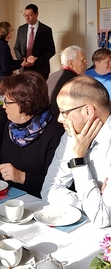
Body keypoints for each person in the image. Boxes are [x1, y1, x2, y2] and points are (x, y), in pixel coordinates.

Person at [0, 71, 64, 198]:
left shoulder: (55, 132)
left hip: (38, 202)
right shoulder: (13, 127)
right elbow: (2, 161)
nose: (3, 106)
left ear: (25, 103)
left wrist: (21, 177)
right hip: (10, 196)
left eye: (7, 102)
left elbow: (59, 184)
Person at [41, 76, 111, 228]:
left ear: (88, 111)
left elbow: (102, 219)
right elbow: (48, 189)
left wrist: (78, 160)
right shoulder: (71, 134)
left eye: (63, 112)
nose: (59, 119)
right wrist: (92, 200)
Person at [14, 4, 56, 80]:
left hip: (41, 69)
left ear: (36, 14)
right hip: (24, 68)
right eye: (25, 15)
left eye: (30, 15)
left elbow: (51, 51)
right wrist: (23, 60)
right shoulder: (21, 29)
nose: (27, 18)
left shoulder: (46, 30)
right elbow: (16, 48)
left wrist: (36, 60)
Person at [47, 45, 87, 118]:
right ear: (71, 63)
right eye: (82, 60)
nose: (86, 63)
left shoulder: (52, 76)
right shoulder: (76, 81)